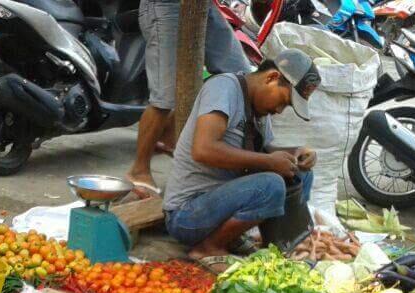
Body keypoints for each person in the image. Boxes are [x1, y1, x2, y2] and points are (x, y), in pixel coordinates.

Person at [162, 50, 320, 268]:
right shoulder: (224, 88)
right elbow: (203, 149)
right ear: (272, 78)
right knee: (271, 185)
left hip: (221, 205)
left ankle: (278, 243)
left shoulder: (260, 112)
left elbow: (264, 152)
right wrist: (269, 162)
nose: (280, 110)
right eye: (284, 102)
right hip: (188, 215)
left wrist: (296, 153)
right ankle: (206, 248)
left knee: (301, 173)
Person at [126, 0, 252, 197]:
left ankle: (167, 136)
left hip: (202, 6)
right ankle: (139, 170)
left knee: (240, 74)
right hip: (165, 6)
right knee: (165, 98)